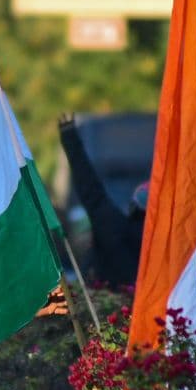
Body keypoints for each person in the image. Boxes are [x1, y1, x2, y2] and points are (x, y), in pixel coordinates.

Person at [58, 113, 147, 288]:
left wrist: (70, 139)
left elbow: (91, 192)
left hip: (107, 310)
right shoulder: (173, 246)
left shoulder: (114, 230)